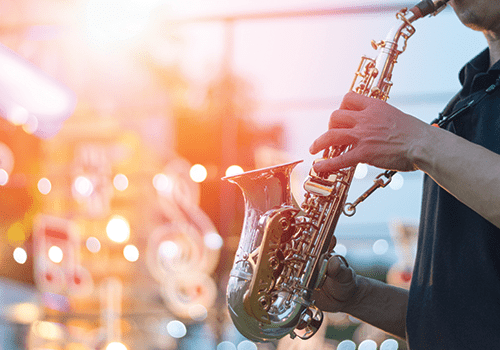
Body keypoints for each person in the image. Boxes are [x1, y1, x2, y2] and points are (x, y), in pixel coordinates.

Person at [309, 0, 500, 349]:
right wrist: (355, 295)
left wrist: (417, 141)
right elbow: (461, 320)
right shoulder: (464, 101)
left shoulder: (436, 135)